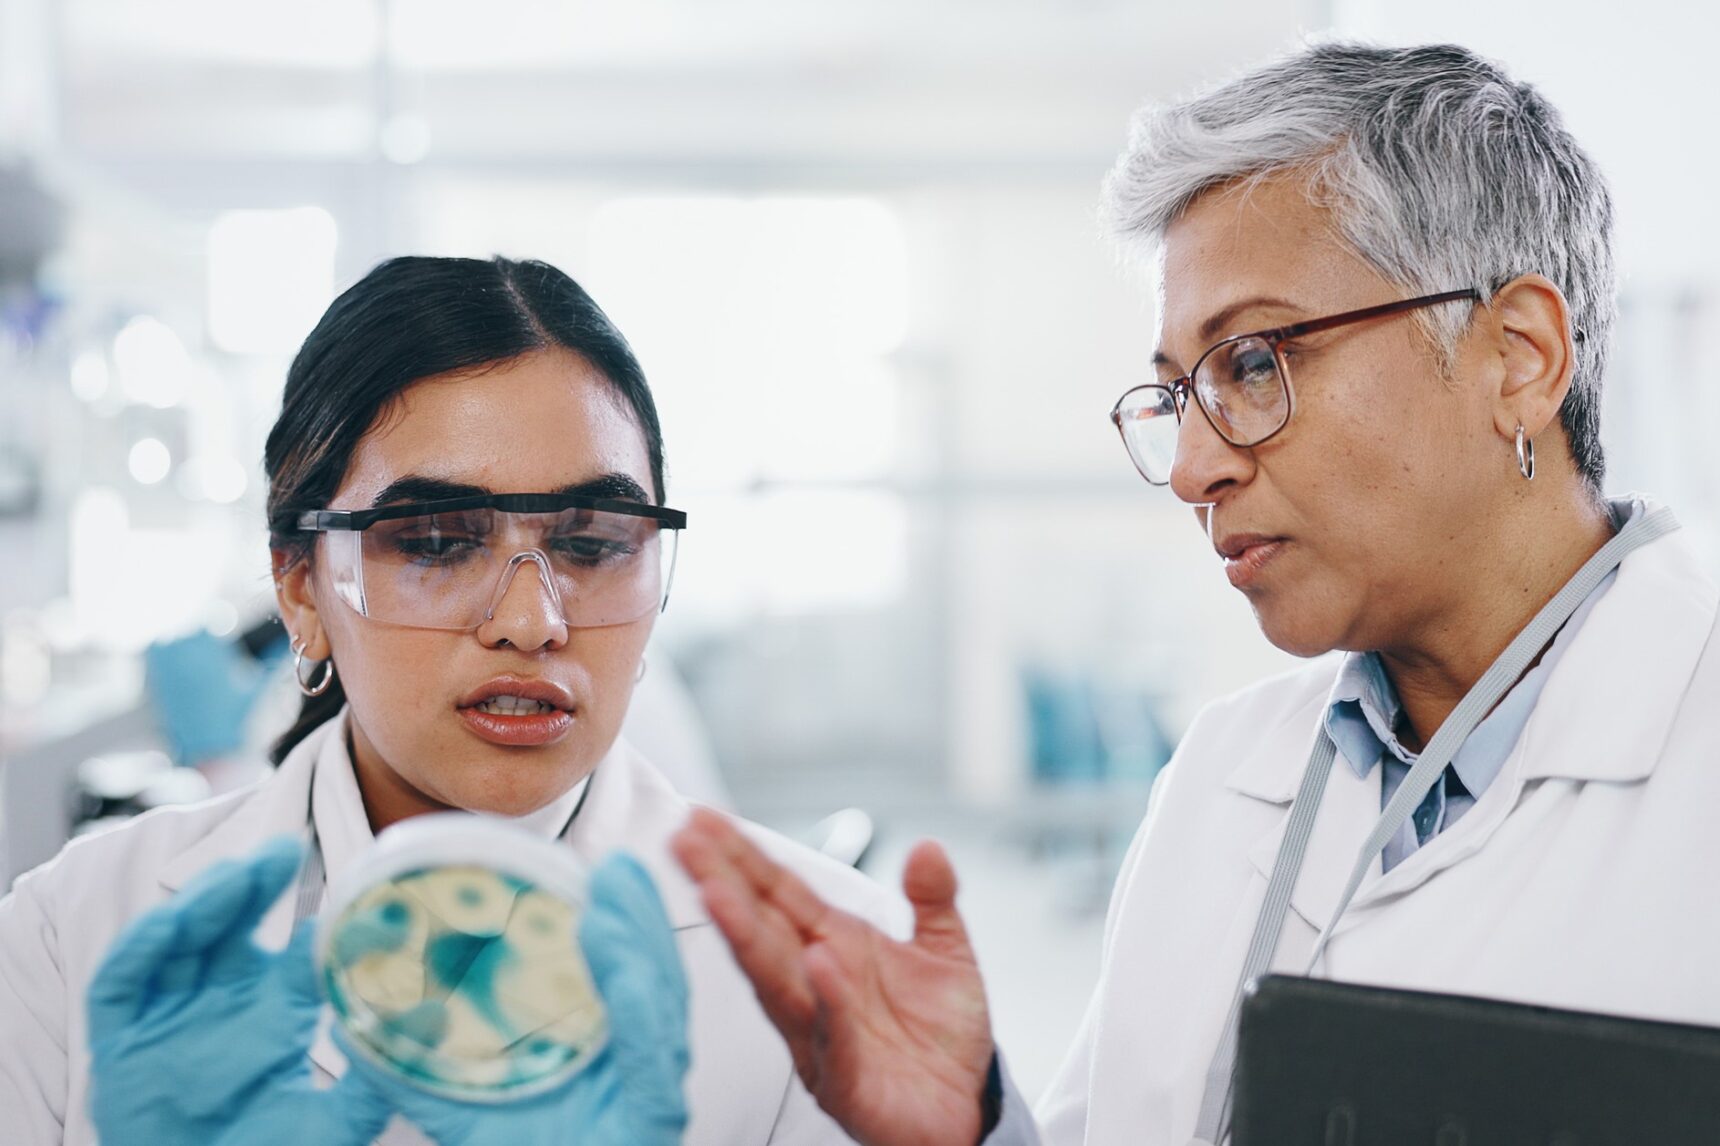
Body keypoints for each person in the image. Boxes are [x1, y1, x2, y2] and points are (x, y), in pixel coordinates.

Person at [670, 42, 1720, 1146]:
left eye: (1255, 362)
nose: (1189, 469)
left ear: (1516, 357)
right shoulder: (1227, 774)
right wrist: (974, 1127)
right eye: (1178, 393)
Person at [0, 255, 906, 1145]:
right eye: (435, 540)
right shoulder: (67, 937)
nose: (531, 620)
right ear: (302, 588)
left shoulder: (836, 963)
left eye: (592, 542)